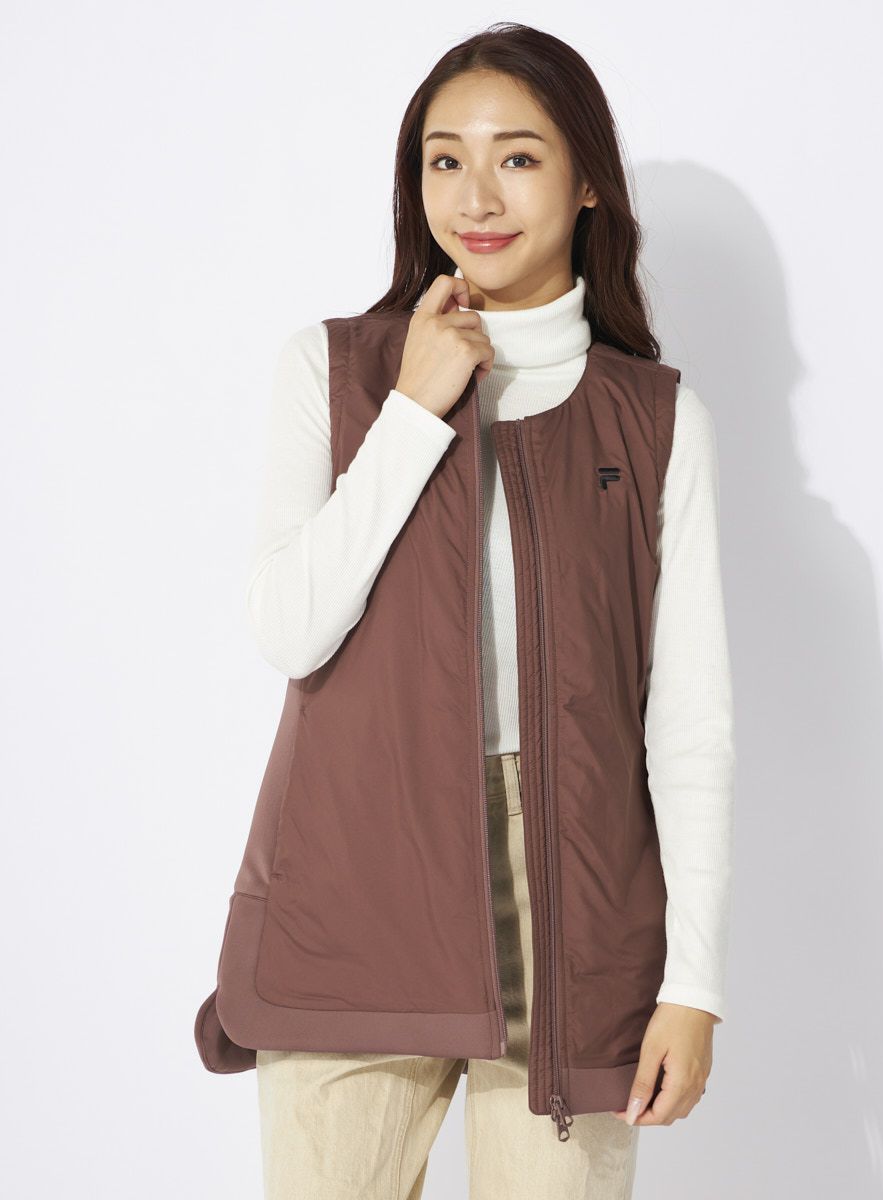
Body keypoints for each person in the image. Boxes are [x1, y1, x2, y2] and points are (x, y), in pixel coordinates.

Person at [213, 22, 735, 1199]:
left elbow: (689, 723)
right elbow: (288, 628)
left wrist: (693, 985)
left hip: (577, 901)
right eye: (444, 160)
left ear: (588, 181)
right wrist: (413, 409)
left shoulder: (656, 420)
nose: (476, 197)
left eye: (519, 158)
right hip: (355, 872)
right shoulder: (332, 373)